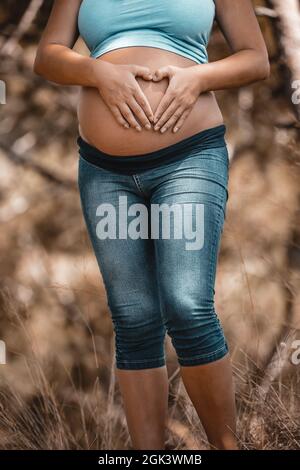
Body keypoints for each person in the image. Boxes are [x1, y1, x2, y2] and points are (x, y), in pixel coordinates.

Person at [34, 0, 270, 450]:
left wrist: (198, 77)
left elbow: (256, 59)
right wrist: (98, 73)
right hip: (105, 172)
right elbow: (47, 54)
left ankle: (226, 446)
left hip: (188, 159)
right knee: (135, 317)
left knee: (186, 304)